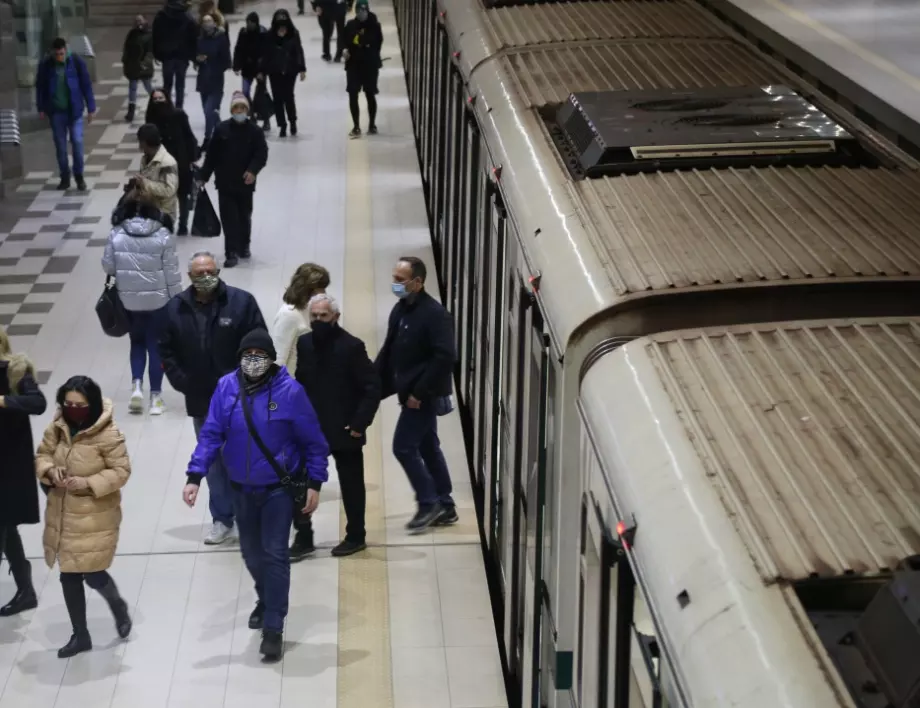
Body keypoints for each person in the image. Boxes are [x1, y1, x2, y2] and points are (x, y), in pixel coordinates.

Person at [182, 329, 329, 661]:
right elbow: (211, 434)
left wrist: (315, 483)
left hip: (277, 489)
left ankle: (274, 626)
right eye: (246, 354)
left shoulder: (290, 392)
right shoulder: (226, 388)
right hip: (240, 488)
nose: (253, 360)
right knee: (251, 553)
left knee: (275, 552)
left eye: (259, 354)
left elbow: (315, 443)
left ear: (271, 358)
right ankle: (266, 597)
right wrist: (195, 475)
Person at [159, 251, 267, 544]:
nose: (206, 277)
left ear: (218, 271)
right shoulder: (175, 309)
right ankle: (222, 519)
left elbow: (259, 344)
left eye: (210, 271)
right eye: (199, 273)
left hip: (241, 400)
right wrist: (184, 383)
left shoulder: (241, 303)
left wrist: (248, 383)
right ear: (190, 276)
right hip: (202, 401)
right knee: (214, 464)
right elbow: (166, 352)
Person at [35, 376, 132, 658]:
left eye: (79, 404)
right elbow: (42, 455)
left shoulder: (108, 434)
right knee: (69, 576)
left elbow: (121, 472)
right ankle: (81, 635)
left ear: (91, 404)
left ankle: (117, 606)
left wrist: (87, 483)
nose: (73, 408)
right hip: (63, 512)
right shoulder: (57, 426)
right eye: (68, 403)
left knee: (92, 572)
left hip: (94, 515)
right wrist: (51, 471)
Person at [375, 257, 457, 532]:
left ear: (418, 282)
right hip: (408, 392)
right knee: (427, 446)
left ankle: (428, 502)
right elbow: (389, 350)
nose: (395, 284)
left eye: (401, 280)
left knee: (403, 446)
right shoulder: (401, 310)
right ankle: (445, 504)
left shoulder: (435, 315)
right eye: (395, 278)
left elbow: (445, 358)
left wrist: (419, 392)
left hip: (422, 396)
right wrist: (372, 382)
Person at [295, 295, 380, 557]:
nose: (319, 321)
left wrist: (358, 424)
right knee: (300, 484)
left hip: (344, 428)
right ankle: (303, 537)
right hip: (311, 428)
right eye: (315, 316)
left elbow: (372, 388)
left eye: (324, 316)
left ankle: (356, 535)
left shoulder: (352, 347)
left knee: (351, 485)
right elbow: (301, 381)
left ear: (335, 317)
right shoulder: (305, 343)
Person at [103, 196, 182, 415]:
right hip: (159, 301)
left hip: (128, 300)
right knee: (156, 345)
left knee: (136, 342)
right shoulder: (163, 235)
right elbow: (171, 272)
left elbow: (108, 267)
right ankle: (156, 398)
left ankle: (136, 387)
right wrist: (178, 301)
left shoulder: (116, 234)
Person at [0, 328, 46, 617]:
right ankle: (26, 590)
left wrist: (4, 401)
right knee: (7, 527)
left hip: (8, 466)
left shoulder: (15, 371)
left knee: (4, 524)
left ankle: (26, 590)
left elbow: (38, 403)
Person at [197, 92, 268, 267]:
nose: (239, 111)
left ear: (247, 110)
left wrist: (253, 171)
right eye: (236, 108)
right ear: (231, 110)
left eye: (242, 108)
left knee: (244, 216)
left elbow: (261, 154)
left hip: (245, 184)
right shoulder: (221, 130)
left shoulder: (255, 131)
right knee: (229, 218)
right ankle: (231, 252)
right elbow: (211, 156)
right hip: (225, 183)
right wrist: (203, 176)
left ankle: (244, 245)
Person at [34, 38, 97, 191]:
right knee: (61, 147)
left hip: (74, 111)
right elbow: (40, 86)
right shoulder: (46, 65)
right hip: (56, 112)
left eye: (61, 54)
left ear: (65, 50)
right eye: (56, 55)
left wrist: (91, 107)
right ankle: (65, 176)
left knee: (77, 142)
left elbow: (86, 84)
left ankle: (79, 175)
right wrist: (41, 107)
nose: (59, 57)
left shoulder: (75, 61)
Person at [145, 89, 199, 234]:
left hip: (181, 160)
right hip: (161, 164)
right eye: (155, 99)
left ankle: (183, 224)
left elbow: (189, 137)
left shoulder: (179, 115)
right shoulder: (151, 119)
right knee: (163, 194)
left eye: (161, 98)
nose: (158, 102)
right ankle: (165, 222)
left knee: (183, 194)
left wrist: (193, 157)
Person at [270, 263, 330, 373]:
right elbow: (278, 358)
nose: (324, 293)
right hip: (293, 384)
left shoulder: (310, 310)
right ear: (305, 290)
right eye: (320, 289)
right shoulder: (288, 315)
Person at [342, 0, 383, 137]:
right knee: (353, 94)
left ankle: (372, 124)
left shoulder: (375, 26)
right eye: (359, 11)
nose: (361, 14)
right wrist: (346, 49)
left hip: (370, 65)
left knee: (369, 93)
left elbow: (372, 41)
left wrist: (357, 40)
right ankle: (356, 126)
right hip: (353, 65)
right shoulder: (350, 25)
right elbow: (346, 41)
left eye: (363, 11)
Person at [263, 10, 306, 138]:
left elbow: (299, 51)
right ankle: (282, 125)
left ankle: (292, 121)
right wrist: (262, 71)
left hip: (289, 70)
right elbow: (266, 54)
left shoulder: (293, 34)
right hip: (274, 71)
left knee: (288, 97)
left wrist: (302, 69)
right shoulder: (270, 35)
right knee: (277, 99)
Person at [129, 123, 179, 225]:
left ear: (145, 143)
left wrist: (144, 183)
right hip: (147, 209)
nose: (139, 146)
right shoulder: (145, 159)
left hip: (163, 214)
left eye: (140, 142)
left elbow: (169, 189)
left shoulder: (167, 162)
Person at [195, 14, 231, 150]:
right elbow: (196, 53)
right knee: (210, 112)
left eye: (209, 21)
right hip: (203, 79)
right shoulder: (200, 38)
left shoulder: (221, 38)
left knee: (209, 110)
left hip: (216, 79)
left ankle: (207, 138)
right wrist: (198, 59)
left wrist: (211, 60)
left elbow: (226, 59)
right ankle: (223, 135)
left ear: (214, 23)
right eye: (204, 22)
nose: (206, 24)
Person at [152, 0, 198, 109]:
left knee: (167, 85)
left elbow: (155, 37)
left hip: (167, 56)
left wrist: (157, 54)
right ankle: (179, 108)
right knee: (180, 85)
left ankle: (166, 107)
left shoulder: (161, 16)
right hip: (182, 56)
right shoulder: (187, 17)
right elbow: (194, 38)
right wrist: (193, 56)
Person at [122, 15, 155, 122]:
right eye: (136, 20)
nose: (138, 22)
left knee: (148, 86)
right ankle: (131, 112)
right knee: (132, 88)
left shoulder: (149, 35)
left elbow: (150, 51)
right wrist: (125, 60)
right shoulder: (132, 34)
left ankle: (157, 102)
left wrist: (145, 63)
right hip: (133, 65)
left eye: (140, 20)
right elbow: (126, 47)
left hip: (144, 66)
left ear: (145, 21)